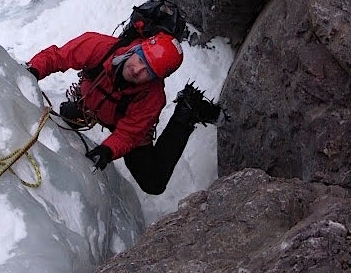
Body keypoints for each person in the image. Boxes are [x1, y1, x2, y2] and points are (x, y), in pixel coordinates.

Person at [26, 30, 222, 195]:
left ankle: (187, 111)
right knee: (68, 115)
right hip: (94, 104)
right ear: (137, 49)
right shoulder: (99, 47)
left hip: (124, 121)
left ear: (156, 78)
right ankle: (87, 111)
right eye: (140, 59)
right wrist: (33, 71)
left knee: (153, 183)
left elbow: (128, 134)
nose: (137, 70)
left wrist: (107, 150)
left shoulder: (152, 99)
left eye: (148, 71)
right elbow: (58, 57)